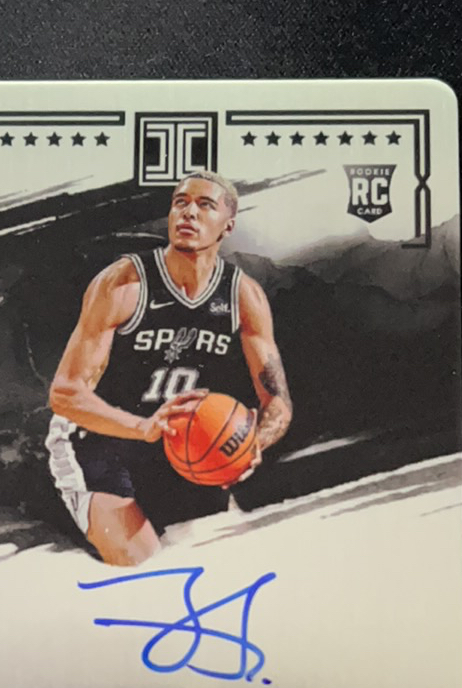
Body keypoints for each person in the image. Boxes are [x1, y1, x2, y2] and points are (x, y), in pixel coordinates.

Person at [46, 170, 292, 565]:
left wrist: (252, 445)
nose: (188, 213)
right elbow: (65, 393)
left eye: (204, 205)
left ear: (227, 226)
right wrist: (140, 427)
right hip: (99, 440)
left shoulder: (243, 296)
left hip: (181, 443)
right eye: (181, 203)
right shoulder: (124, 284)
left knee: (225, 562)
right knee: (145, 566)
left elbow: (277, 401)